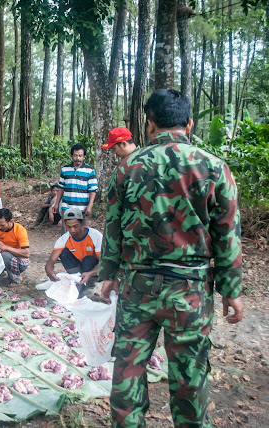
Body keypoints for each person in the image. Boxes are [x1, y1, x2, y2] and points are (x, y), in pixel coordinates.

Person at [99, 88, 244, 427]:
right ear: (189, 123)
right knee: (190, 381)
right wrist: (231, 290)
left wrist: (108, 273)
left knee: (128, 375)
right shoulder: (213, 167)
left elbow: (113, 227)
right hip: (190, 291)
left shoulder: (128, 167)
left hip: (138, 287)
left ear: (149, 125)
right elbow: (227, 233)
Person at [44, 208, 103, 297]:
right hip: (80, 269)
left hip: (96, 271)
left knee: (88, 259)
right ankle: (78, 284)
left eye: (75, 226)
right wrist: (49, 271)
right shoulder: (64, 239)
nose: (72, 230)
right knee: (64, 253)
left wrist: (90, 273)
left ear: (82, 222)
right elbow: (51, 261)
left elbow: (105, 263)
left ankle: (91, 286)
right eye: (69, 227)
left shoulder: (96, 236)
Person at [50, 144, 98, 223]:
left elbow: (92, 190)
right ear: (72, 156)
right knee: (66, 232)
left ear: (84, 157)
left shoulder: (90, 171)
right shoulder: (65, 169)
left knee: (81, 232)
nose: (77, 158)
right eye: (75, 155)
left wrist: (90, 205)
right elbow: (61, 188)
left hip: (82, 208)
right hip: (66, 207)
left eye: (80, 156)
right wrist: (57, 203)